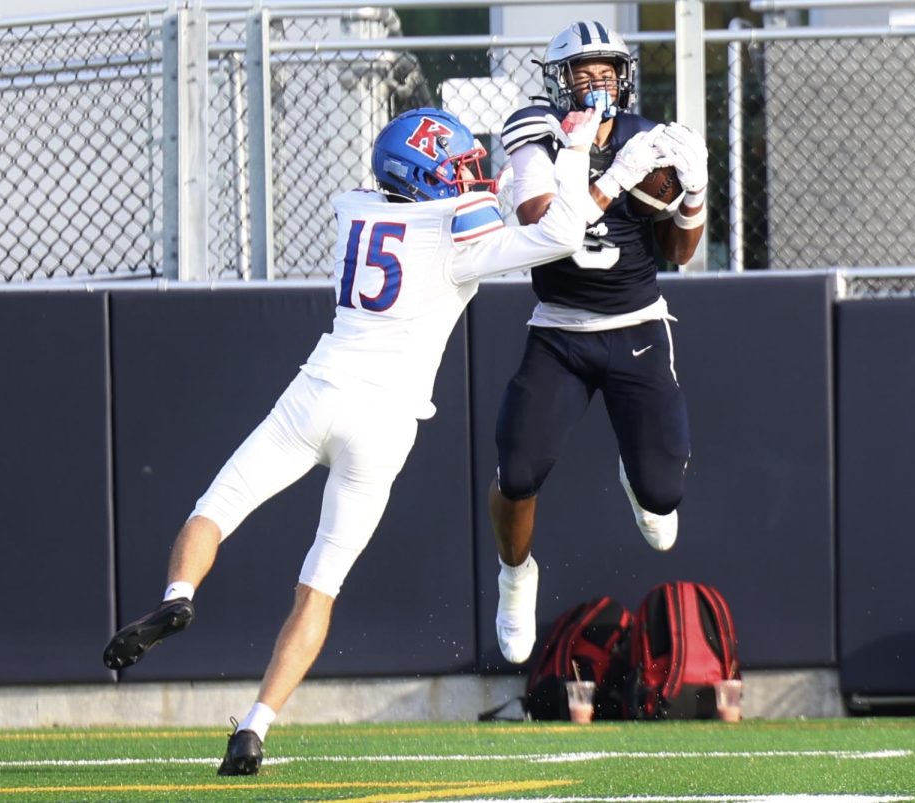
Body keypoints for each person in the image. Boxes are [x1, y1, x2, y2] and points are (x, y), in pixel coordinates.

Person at [102, 104, 615, 775]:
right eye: (456, 168)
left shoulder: (356, 207)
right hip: (383, 422)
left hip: (314, 392)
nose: (469, 177)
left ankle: (177, 597)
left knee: (215, 507)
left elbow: (456, 202)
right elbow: (561, 230)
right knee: (318, 586)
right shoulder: (457, 229)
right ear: (428, 177)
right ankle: (255, 726)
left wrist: (495, 184)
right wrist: (566, 152)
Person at [491, 20, 709, 664]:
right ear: (557, 82)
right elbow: (544, 228)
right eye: (581, 72)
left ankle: (639, 472)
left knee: (663, 496)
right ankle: (515, 577)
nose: (595, 83)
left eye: (605, 70)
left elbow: (679, 253)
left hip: (637, 326)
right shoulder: (535, 131)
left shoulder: (650, 140)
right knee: (517, 471)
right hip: (559, 331)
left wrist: (692, 194)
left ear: (625, 74)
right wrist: (609, 180)